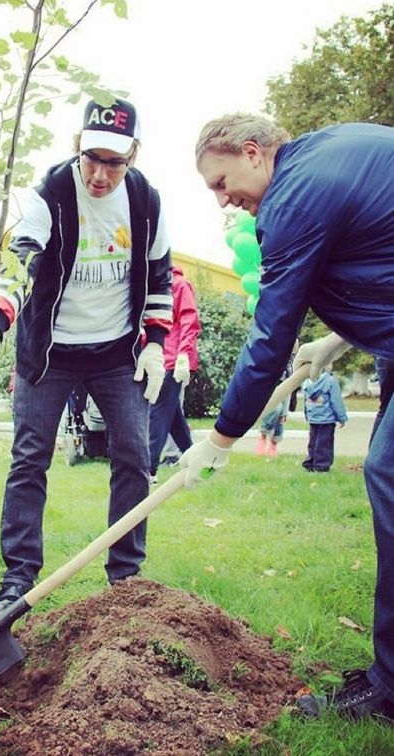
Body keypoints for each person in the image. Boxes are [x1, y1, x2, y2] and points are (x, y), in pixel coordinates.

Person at [180, 113, 394, 721]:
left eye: (221, 183)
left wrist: (220, 437)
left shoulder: (293, 196)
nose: (226, 200)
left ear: (253, 153)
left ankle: (391, 691)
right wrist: (335, 339)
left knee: (388, 477)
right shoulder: (338, 146)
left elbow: (270, 335)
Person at [0, 97, 172, 610]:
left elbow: (161, 279)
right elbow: (21, 268)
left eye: (114, 162)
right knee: (29, 459)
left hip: (117, 353)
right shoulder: (50, 195)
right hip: (50, 354)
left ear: (134, 156)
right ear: (77, 147)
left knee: (134, 457)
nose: (100, 174)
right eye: (92, 157)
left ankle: (127, 577)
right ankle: (18, 577)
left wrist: (156, 344)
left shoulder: (146, 201)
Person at [148, 265, 200, 483]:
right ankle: (199, 462)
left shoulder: (178, 285)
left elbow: (190, 320)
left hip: (171, 360)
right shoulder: (150, 284)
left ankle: (148, 469)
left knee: (158, 413)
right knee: (171, 415)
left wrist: (184, 355)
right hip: (156, 358)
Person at [255, 341, 298, 457]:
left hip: (286, 386)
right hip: (271, 384)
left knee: (282, 416)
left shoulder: (292, 362)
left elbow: (290, 384)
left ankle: (274, 443)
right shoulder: (272, 354)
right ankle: (263, 435)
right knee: (275, 408)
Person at [301, 367, 348, 472]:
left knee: (313, 442)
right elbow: (336, 401)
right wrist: (341, 417)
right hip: (327, 419)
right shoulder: (330, 381)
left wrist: (307, 415)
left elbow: (305, 400)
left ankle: (310, 462)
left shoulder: (307, 382)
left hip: (313, 418)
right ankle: (321, 466)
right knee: (325, 443)